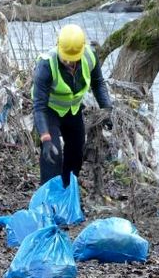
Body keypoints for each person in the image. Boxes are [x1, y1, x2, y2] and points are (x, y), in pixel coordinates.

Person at [31, 24, 112, 186]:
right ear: (58, 46)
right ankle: (48, 198)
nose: (68, 61)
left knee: (76, 152)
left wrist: (106, 109)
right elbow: (39, 106)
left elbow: (98, 83)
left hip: (73, 110)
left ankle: (67, 189)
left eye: (73, 57)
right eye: (65, 56)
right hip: (49, 111)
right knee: (52, 155)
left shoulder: (90, 57)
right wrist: (45, 138)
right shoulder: (46, 65)